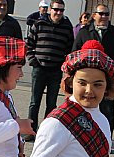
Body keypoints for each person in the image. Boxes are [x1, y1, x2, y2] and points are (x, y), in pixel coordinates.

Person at [71, 3, 114, 134]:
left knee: (107, 112)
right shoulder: (84, 32)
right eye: (101, 13)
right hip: (86, 78)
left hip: (106, 79)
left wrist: (111, 70)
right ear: (94, 15)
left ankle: (106, 139)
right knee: (83, 109)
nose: (104, 17)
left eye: (106, 14)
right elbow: (75, 53)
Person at [25, 0, 73, 138]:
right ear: (50, 9)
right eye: (56, 9)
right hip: (39, 69)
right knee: (34, 102)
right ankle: (31, 131)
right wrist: (33, 61)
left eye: (61, 10)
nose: (58, 13)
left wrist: (64, 66)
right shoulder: (39, 24)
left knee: (51, 103)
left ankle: (46, 132)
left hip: (56, 71)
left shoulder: (67, 28)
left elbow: (69, 49)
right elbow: (29, 44)